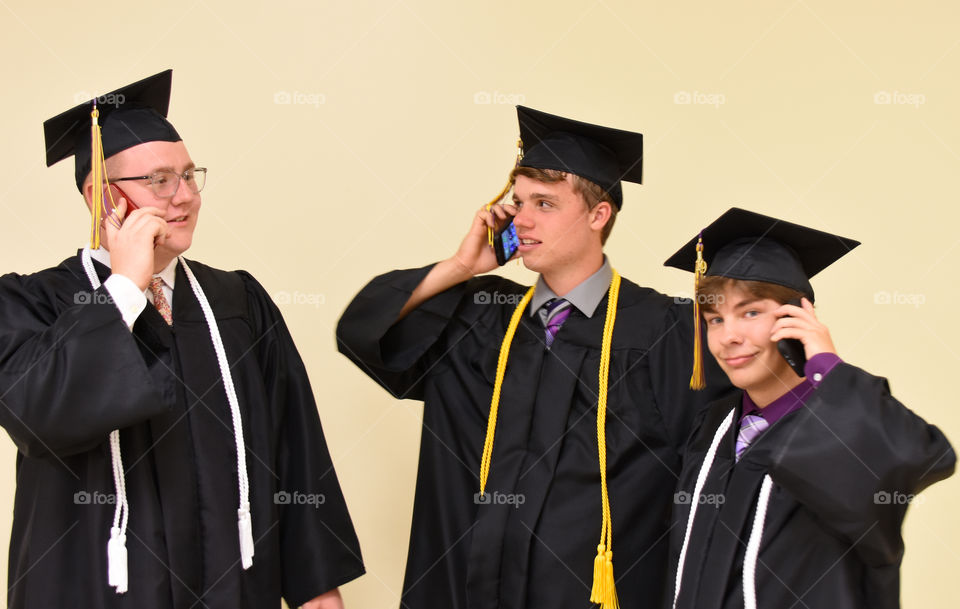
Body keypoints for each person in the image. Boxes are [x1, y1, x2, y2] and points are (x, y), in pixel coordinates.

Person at [336, 106, 729, 609]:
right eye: (518, 202)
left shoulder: (666, 331)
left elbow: (724, 460)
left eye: (544, 204)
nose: (521, 218)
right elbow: (363, 332)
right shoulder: (479, 318)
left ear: (597, 214)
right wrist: (461, 266)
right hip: (464, 590)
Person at [0, 70, 364, 608]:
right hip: (96, 590)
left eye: (190, 175)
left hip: (233, 587)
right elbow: (37, 416)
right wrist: (124, 287)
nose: (186, 196)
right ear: (104, 198)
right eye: (160, 180)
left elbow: (296, 445)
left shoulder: (237, 301)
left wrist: (317, 591)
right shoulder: (33, 303)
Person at [662, 207, 955, 609]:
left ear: (796, 317)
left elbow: (921, 455)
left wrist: (827, 368)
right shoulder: (714, 427)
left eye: (750, 312)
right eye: (714, 319)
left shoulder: (837, 425)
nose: (728, 336)